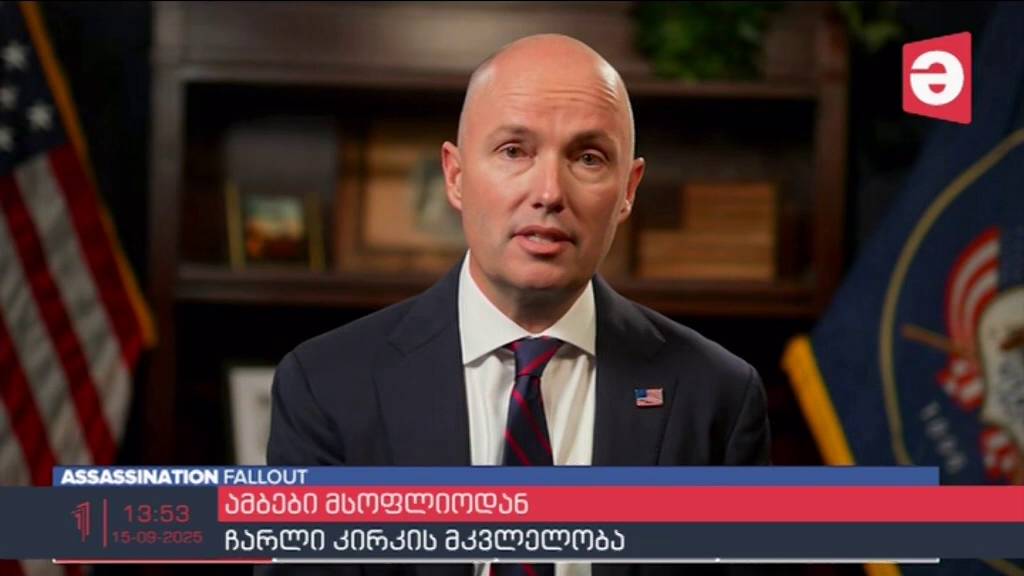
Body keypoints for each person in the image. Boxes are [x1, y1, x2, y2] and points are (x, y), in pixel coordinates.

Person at [265, 34, 770, 576]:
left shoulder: (718, 395)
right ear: (456, 176)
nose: (549, 192)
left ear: (628, 189)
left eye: (588, 158)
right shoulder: (325, 385)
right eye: (514, 151)